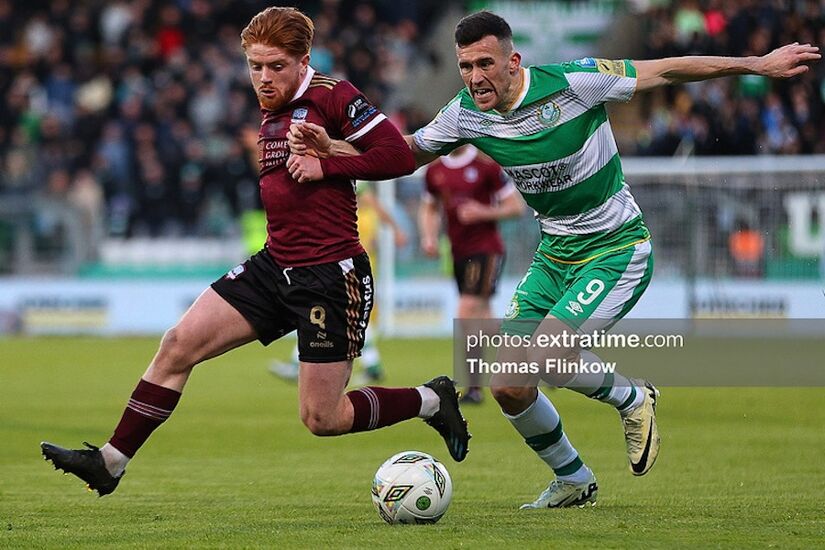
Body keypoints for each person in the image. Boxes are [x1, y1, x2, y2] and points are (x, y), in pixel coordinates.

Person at [285, 10, 819, 508]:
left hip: (615, 251)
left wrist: (755, 64)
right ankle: (573, 479)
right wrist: (332, 149)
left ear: (513, 62)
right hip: (554, 257)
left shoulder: (576, 82)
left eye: (484, 64)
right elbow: (403, 154)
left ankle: (633, 396)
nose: (474, 77)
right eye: (465, 66)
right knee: (508, 385)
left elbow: (667, 70)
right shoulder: (466, 115)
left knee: (545, 361)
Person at [40, 6, 470, 498]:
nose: (263, 78)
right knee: (178, 343)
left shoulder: (334, 95)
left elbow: (398, 156)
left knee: (322, 417)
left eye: (276, 67)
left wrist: (328, 160)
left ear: (303, 60)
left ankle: (431, 400)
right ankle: (110, 462)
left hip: (330, 274)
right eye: (255, 66)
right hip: (274, 264)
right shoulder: (273, 106)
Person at [270, 180, 408, 383]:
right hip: (342, 262)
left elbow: (373, 203)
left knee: (326, 309)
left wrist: (396, 230)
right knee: (325, 309)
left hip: (348, 265)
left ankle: (369, 365)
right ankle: (371, 365)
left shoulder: (356, 193)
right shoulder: (352, 210)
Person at [418, 144, 525, 403]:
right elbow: (429, 207)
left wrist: (483, 212)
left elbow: (516, 207)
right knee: (484, 321)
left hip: (486, 250)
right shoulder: (435, 171)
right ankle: (533, 354)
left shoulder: (486, 167)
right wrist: (429, 237)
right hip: (458, 252)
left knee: (466, 314)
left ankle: (473, 389)